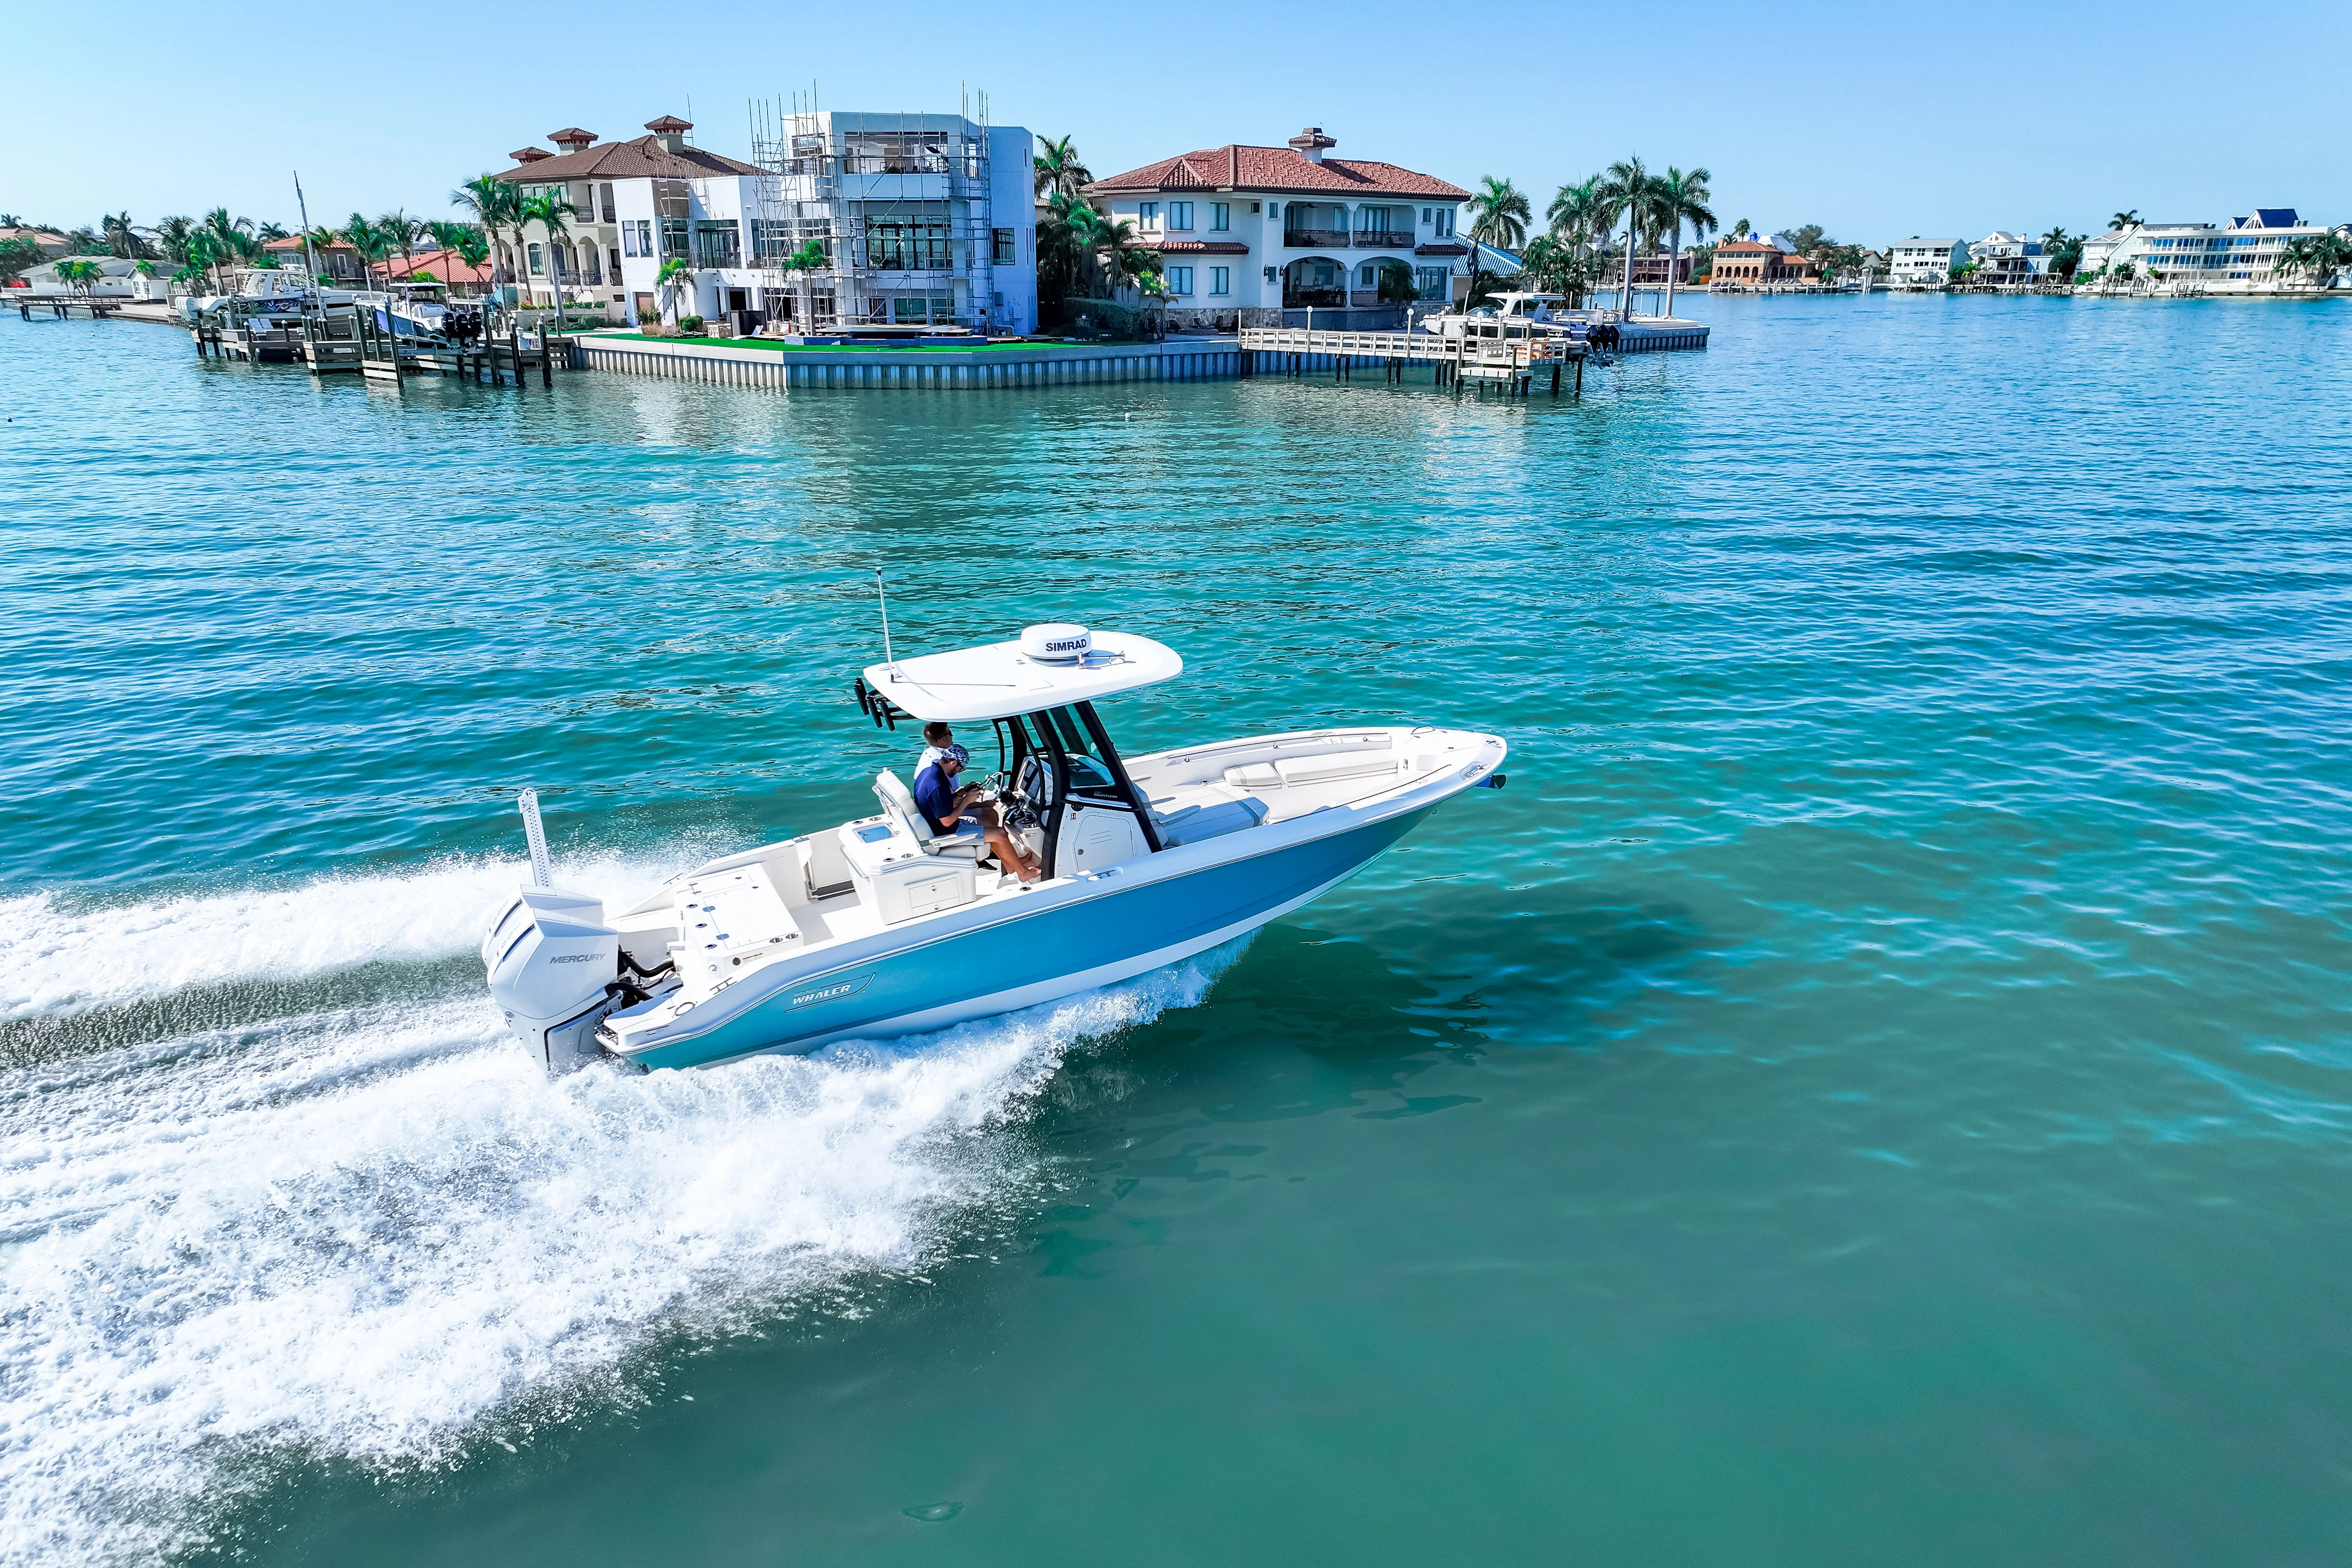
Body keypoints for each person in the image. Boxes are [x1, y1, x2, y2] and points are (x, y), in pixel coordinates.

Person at [913, 738, 1042, 883]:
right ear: (953, 763)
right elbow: (948, 822)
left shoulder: (931, 772)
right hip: (945, 833)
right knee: (999, 834)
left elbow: (946, 802)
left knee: (992, 821)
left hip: (937, 824)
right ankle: (1023, 873)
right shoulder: (936, 785)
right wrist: (968, 800)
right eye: (960, 769)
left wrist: (963, 792)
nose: (958, 772)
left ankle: (1011, 865)